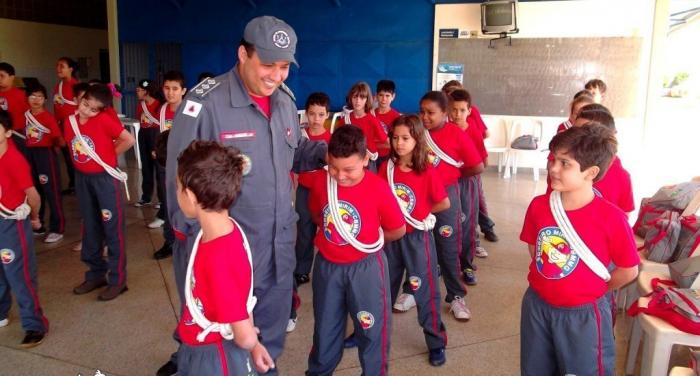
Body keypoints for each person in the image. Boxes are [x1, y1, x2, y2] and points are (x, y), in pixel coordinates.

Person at [161, 15, 327, 376]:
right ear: (242, 54)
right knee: (226, 344)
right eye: (268, 64)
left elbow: (292, 151)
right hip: (229, 250)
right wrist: (187, 240)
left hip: (278, 244)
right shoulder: (205, 104)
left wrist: (327, 153)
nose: (276, 75)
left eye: (284, 67)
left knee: (270, 335)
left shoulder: (283, 101)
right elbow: (179, 174)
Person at [519, 124, 639, 375]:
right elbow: (535, 247)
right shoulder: (539, 206)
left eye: (565, 163)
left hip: (583, 315)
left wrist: (590, 290)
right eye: (553, 159)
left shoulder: (612, 218)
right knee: (535, 368)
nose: (553, 168)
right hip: (537, 306)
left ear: (591, 172)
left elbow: (628, 271)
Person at [305, 125, 405, 375]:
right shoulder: (321, 182)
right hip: (328, 266)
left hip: (366, 267)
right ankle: (319, 371)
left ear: (365, 159)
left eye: (348, 169)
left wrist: (368, 243)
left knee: (371, 328)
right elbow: (318, 215)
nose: (339, 176)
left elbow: (397, 229)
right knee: (325, 328)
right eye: (334, 167)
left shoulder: (379, 188)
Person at [174, 140, 274, 375]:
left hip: (214, 358)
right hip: (205, 342)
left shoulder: (217, 258)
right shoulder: (227, 230)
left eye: (177, 188)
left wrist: (253, 344)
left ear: (190, 195)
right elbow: (242, 299)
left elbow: (244, 335)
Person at [378, 114, 449, 366]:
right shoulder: (385, 167)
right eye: (395, 137)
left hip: (417, 239)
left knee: (425, 291)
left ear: (417, 139)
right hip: (391, 238)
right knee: (382, 287)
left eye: (405, 138)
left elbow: (443, 202)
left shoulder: (426, 170)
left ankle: (436, 341)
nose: (399, 143)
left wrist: (420, 214)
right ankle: (369, 332)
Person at [410, 91, 482, 321]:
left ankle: (456, 295)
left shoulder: (456, 134)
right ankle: (411, 289)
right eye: (422, 112)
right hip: (419, 194)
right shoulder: (416, 132)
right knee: (415, 245)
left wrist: (452, 177)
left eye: (430, 113)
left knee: (448, 244)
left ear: (444, 113)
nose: (425, 117)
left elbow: (477, 166)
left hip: (446, 196)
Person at [64, 84, 135, 301]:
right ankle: (95, 274)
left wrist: (108, 156)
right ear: (80, 99)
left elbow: (129, 139)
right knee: (90, 226)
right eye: (85, 104)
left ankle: (117, 280)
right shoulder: (69, 122)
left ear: (101, 110)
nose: (87, 110)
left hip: (105, 180)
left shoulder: (104, 120)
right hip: (83, 179)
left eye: (94, 109)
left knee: (112, 229)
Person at [0, 109, 49, 348]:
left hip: (11, 222)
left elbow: (33, 195)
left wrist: (34, 217)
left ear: (8, 132)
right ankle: (1, 312)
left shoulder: (13, 159)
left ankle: (34, 325)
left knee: (20, 275)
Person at [448, 90, 489, 286]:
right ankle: (445, 263)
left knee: (467, 224)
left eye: (462, 110)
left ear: (469, 111)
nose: (457, 114)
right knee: (446, 224)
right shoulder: (444, 130)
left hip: (466, 183)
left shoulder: (472, 131)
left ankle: (466, 265)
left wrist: (460, 172)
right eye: (453, 110)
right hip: (447, 184)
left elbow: (483, 162)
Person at [294, 92, 331, 285]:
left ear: (327, 116)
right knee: (304, 231)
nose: (316, 119)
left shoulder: (332, 139)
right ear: (305, 114)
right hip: (304, 192)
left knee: (328, 230)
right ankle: (302, 269)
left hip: (325, 193)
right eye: (312, 114)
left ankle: (328, 269)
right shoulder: (298, 137)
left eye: (321, 114)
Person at [573, 104, 635, 215]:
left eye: (585, 136)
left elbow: (624, 216)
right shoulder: (564, 168)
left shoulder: (621, 176)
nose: (575, 141)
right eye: (573, 133)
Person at [24, 83, 66, 243]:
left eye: (40, 97)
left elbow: (59, 140)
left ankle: (58, 228)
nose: (36, 100)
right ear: (27, 98)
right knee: (35, 190)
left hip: (45, 154)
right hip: (30, 154)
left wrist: (57, 146)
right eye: (32, 96)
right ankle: (38, 224)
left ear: (45, 99)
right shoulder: (26, 114)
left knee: (52, 191)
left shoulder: (48, 117)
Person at [337, 81, 388, 173]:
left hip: (368, 161)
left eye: (362, 97)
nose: (358, 101)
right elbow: (338, 141)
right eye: (355, 96)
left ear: (367, 99)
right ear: (350, 98)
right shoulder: (344, 120)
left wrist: (370, 147)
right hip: (350, 159)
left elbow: (384, 139)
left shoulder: (372, 120)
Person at [53, 57, 80, 195]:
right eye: (57, 65)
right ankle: (72, 184)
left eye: (62, 66)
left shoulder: (76, 86)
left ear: (71, 69)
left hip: (73, 126)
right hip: (61, 126)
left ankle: (78, 185)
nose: (58, 68)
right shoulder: (58, 86)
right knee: (67, 157)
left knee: (74, 156)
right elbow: (57, 108)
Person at [134, 79, 162, 208]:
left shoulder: (159, 105)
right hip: (143, 135)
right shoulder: (140, 105)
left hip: (155, 135)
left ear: (146, 91)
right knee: (146, 167)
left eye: (139, 90)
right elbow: (139, 119)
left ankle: (162, 199)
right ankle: (146, 197)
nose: (137, 92)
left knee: (159, 167)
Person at [0, 62, 30, 157]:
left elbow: (30, 116)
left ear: (12, 77)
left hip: (18, 135)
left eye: (2, 76)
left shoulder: (21, 95)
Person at [373, 79, 400, 167]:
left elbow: (393, 143)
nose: (384, 99)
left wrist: (373, 144)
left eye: (387, 96)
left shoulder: (396, 117)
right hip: (371, 155)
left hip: (388, 157)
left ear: (393, 96)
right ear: (376, 96)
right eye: (381, 95)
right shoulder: (370, 114)